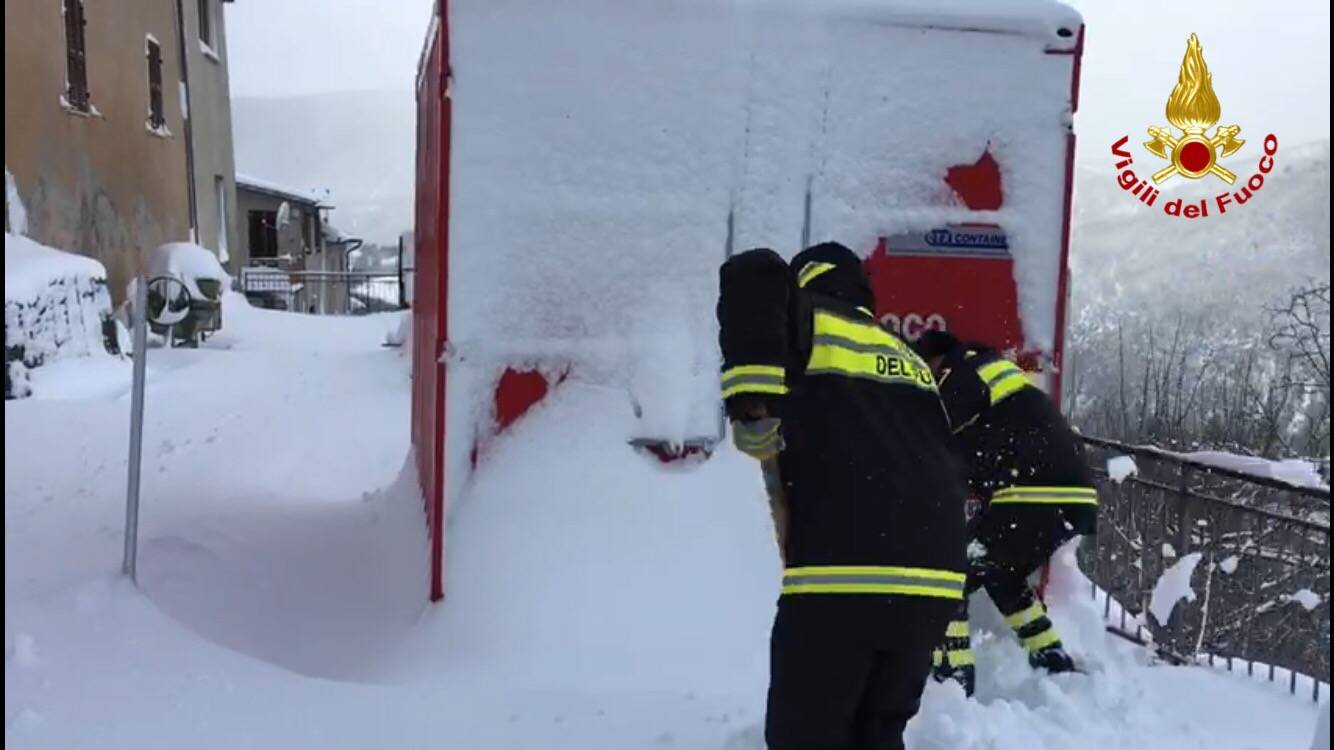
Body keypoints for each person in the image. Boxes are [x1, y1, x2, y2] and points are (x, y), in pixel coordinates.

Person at [718, 242, 968, 750]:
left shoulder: (809, 315)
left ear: (806, 283)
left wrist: (753, 406)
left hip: (845, 574)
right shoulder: (908, 358)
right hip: (933, 585)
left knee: (806, 735)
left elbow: (753, 270)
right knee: (877, 733)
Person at [911, 330, 1098, 696]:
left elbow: (936, 437)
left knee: (950, 573)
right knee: (1001, 572)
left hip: (1033, 491)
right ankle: (1050, 657)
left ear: (936, 361)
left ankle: (952, 686)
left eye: (925, 372)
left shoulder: (962, 373)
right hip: (1070, 495)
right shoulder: (992, 371)